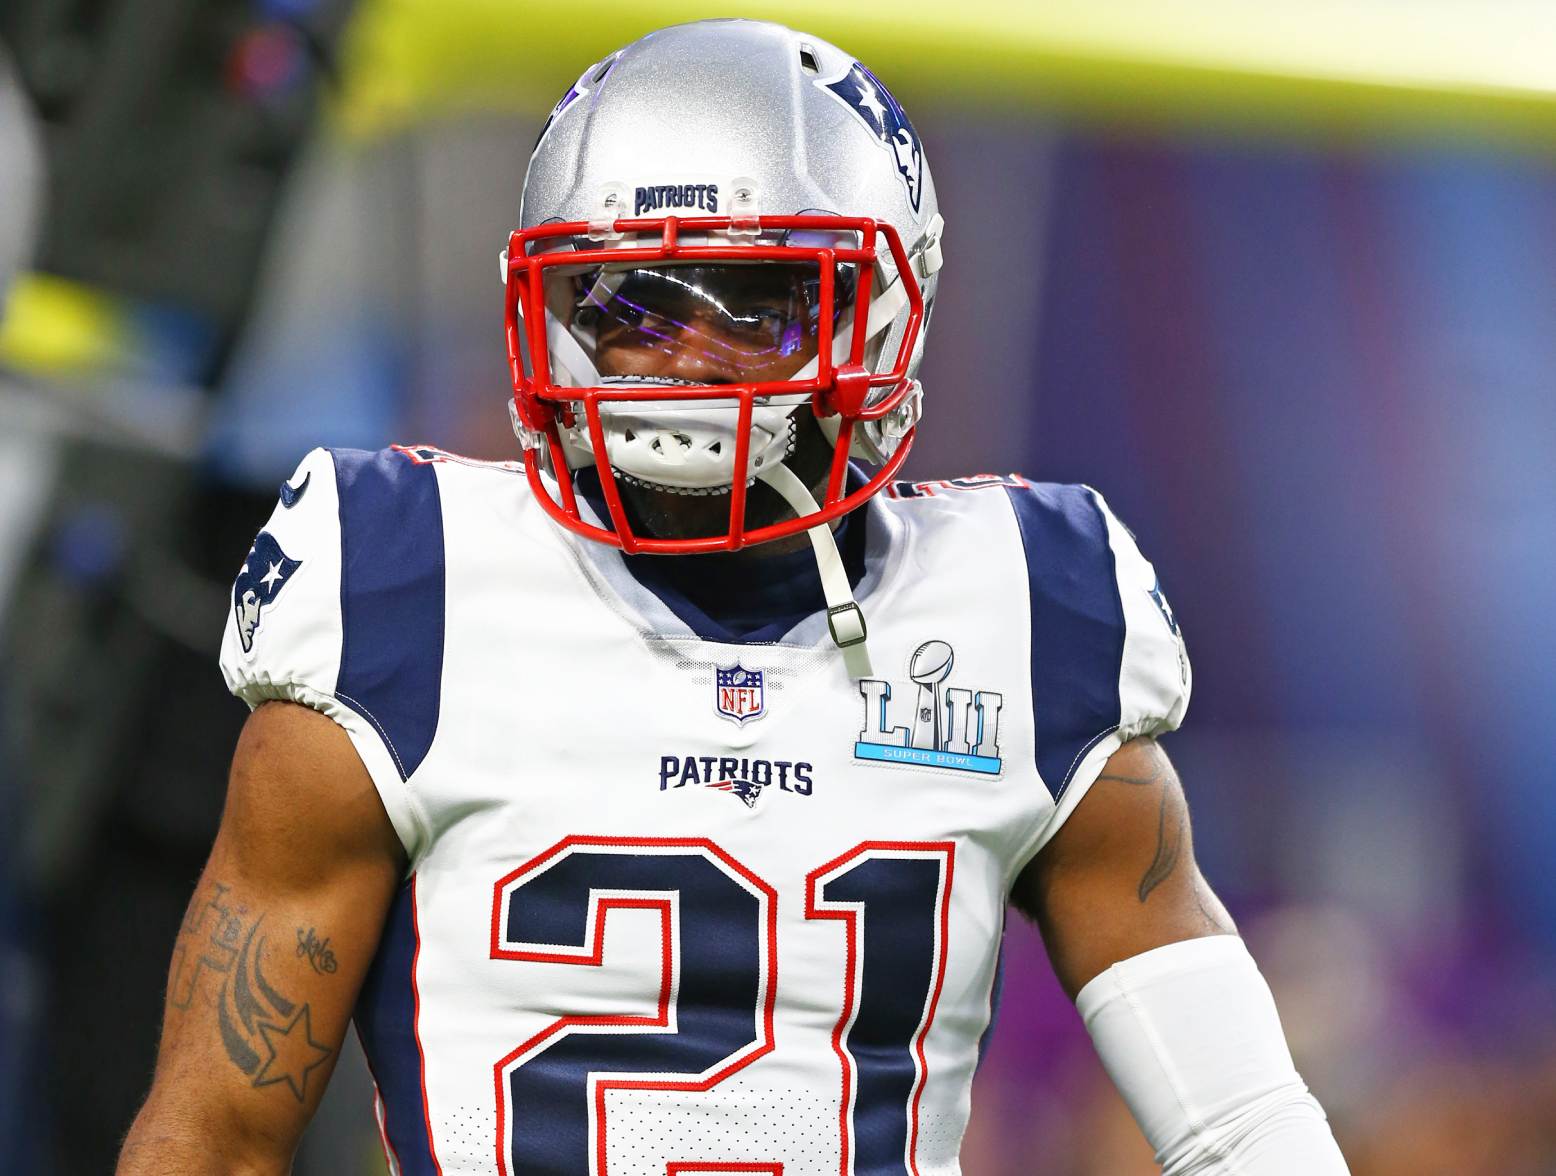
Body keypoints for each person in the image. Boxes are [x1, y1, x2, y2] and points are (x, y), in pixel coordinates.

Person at [118, 19, 1349, 1175]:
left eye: (753, 305)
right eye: (630, 307)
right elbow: (213, 1137)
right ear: (548, 313)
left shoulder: (1025, 607)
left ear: (878, 310)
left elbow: (1239, 1127)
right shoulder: (400, 586)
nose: (686, 358)